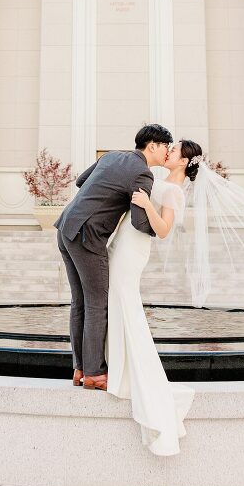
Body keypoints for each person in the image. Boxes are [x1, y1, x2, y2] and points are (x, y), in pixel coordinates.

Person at [54, 123, 173, 391]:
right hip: (88, 236)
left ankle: (80, 367)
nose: (168, 152)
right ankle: (95, 373)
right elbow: (141, 223)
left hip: (65, 227)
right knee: (97, 302)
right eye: (166, 146)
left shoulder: (110, 156)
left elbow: (80, 181)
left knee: (80, 302)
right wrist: (158, 224)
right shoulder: (143, 174)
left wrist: (105, 194)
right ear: (152, 145)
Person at [106, 138, 202, 455]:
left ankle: (132, 375)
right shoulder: (160, 180)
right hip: (124, 241)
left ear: (184, 162)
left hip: (136, 249)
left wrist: (147, 205)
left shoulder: (173, 191)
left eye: (175, 151)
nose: (169, 151)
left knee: (126, 301)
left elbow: (163, 230)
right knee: (116, 302)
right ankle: (119, 369)